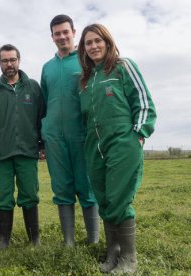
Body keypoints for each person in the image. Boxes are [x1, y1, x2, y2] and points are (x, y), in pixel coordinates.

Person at [78, 24, 156, 274]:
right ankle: (113, 252)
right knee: (103, 197)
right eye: (88, 43)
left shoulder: (123, 66)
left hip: (122, 142)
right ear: (84, 48)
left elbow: (144, 103)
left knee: (119, 197)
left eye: (97, 40)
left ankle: (129, 259)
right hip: (94, 145)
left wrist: (139, 135)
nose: (93, 46)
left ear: (108, 42)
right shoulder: (86, 80)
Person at [40, 14, 99, 247]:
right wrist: (43, 134)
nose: (62, 36)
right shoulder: (47, 68)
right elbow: (44, 102)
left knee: (87, 185)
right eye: (57, 33)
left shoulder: (87, 61)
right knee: (61, 186)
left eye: (66, 32)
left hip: (82, 134)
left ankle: (93, 240)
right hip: (54, 136)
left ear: (74, 32)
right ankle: (68, 242)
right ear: (52, 37)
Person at [0, 44, 45, 252]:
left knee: (29, 193)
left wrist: (42, 144)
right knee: (2, 194)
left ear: (19, 60)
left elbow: (42, 117)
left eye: (12, 59)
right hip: (2, 152)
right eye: (5, 60)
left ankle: (34, 239)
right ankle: (3, 240)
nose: (9, 64)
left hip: (27, 151)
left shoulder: (33, 88)